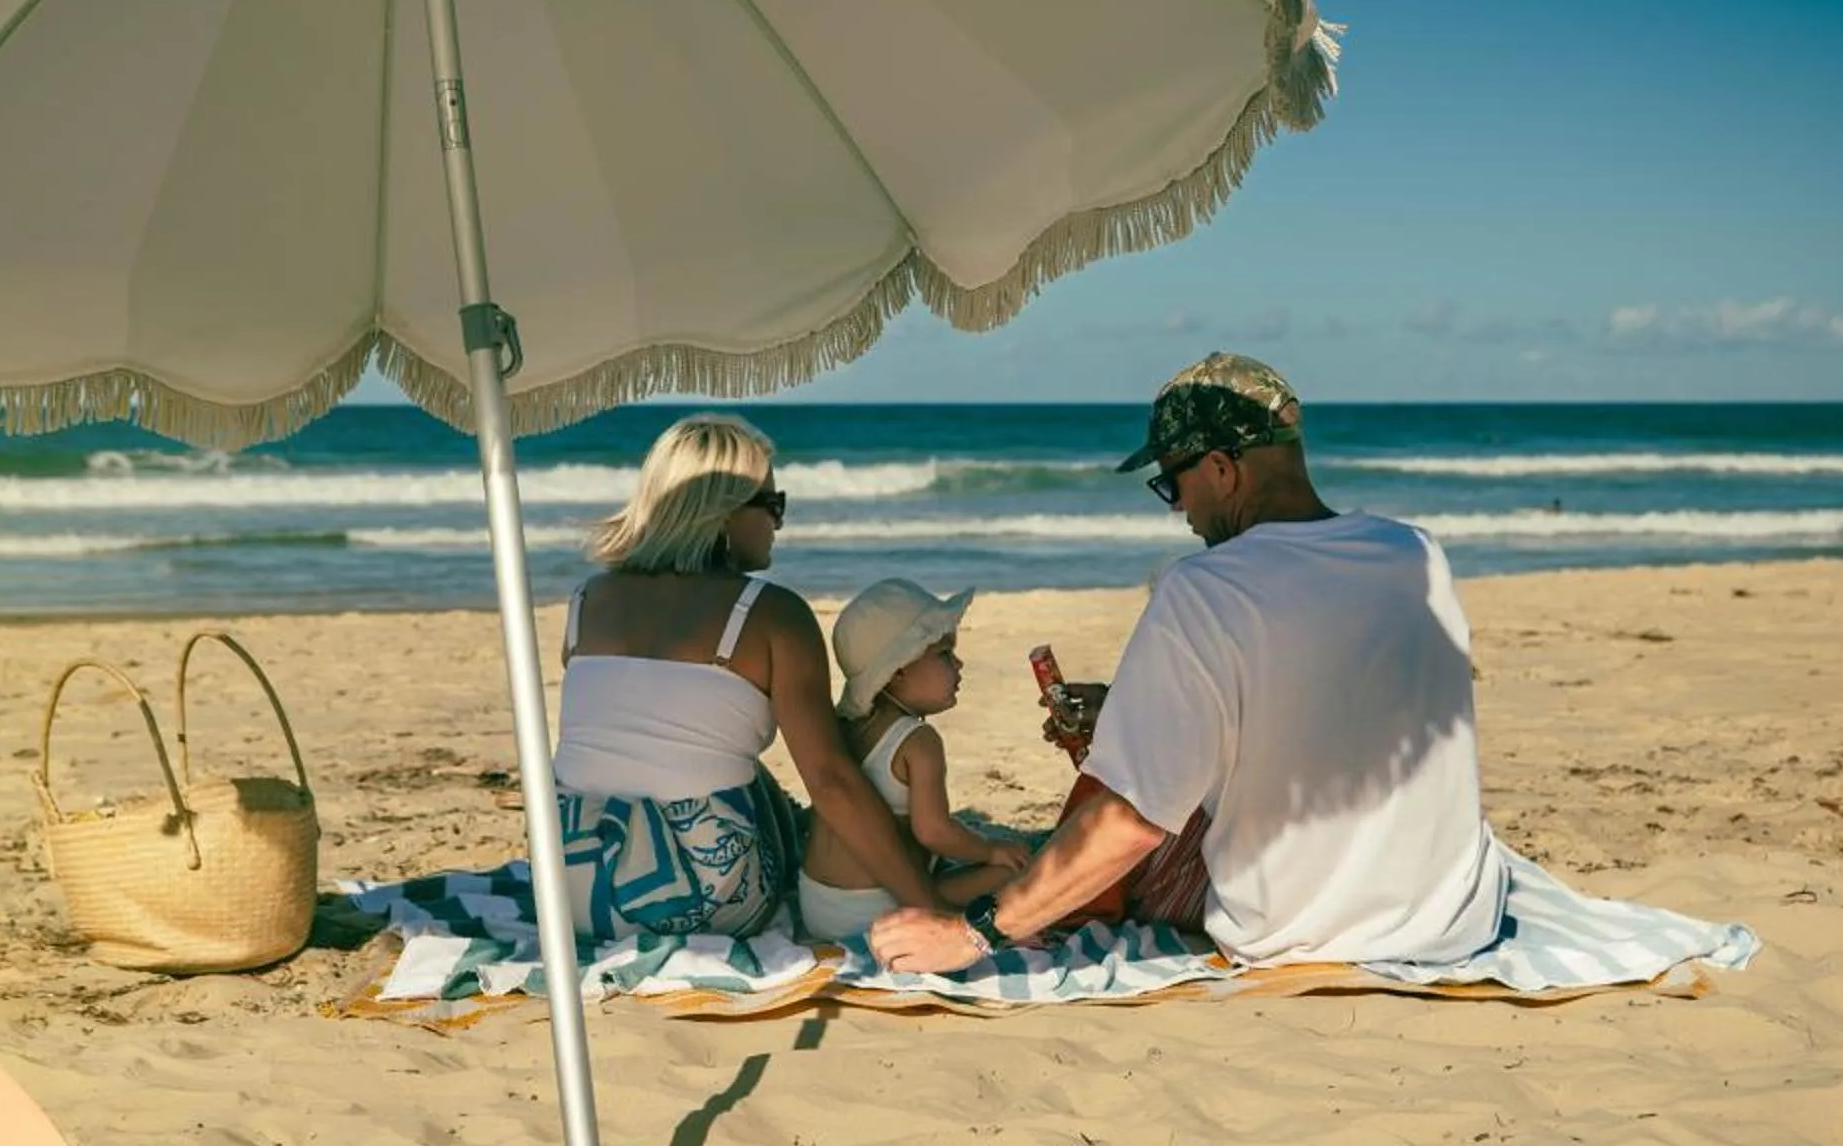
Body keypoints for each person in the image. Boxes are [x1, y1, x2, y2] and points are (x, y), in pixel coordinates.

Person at [869, 353, 1508, 974]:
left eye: (1172, 482)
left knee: (1111, 793)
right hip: (1448, 914)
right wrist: (1128, 705)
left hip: (1304, 928)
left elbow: (1131, 823)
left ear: (1224, 470)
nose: (1177, 506)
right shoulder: (1415, 555)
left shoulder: (1206, 587)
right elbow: (1327, 696)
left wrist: (972, 935)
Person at [554, 414, 934, 941]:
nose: (779, 522)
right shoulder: (772, 613)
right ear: (725, 513)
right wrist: (928, 905)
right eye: (773, 505)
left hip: (569, 889)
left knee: (732, 771)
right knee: (771, 783)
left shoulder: (587, 599)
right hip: (695, 900)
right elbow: (831, 781)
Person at [795, 579, 1035, 940]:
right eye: (942, 654)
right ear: (898, 672)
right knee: (1015, 873)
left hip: (817, 907)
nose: (958, 662)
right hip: (876, 911)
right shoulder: (917, 742)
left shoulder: (844, 727)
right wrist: (990, 849)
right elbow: (934, 831)